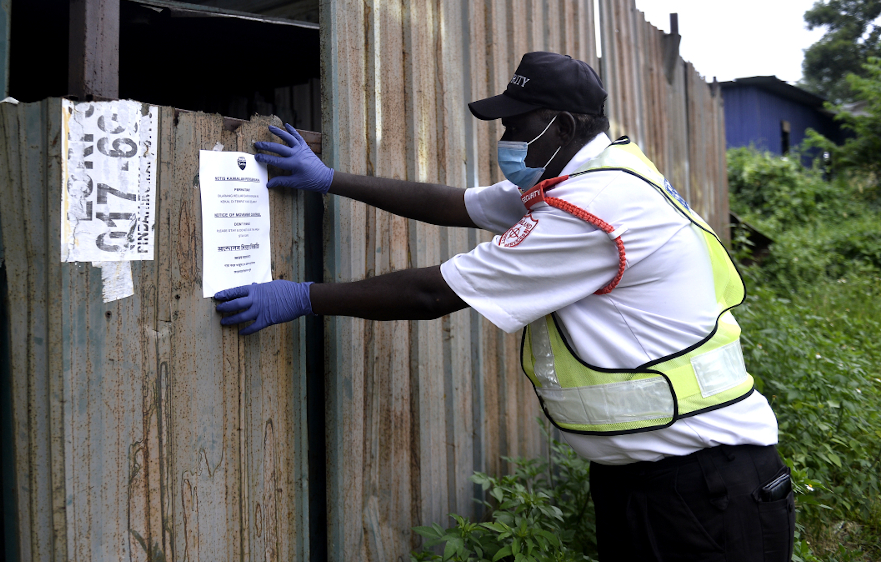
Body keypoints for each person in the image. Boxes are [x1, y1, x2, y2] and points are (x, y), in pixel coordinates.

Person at [215, 52, 795, 561]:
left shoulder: (589, 209)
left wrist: (301, 297)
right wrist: (331, 180)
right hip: (657, 477)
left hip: (704, 484)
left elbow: (434, 293)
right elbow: (459, 204)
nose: (504, 140)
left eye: (514, 125)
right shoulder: (585, 173)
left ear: (562, 124)